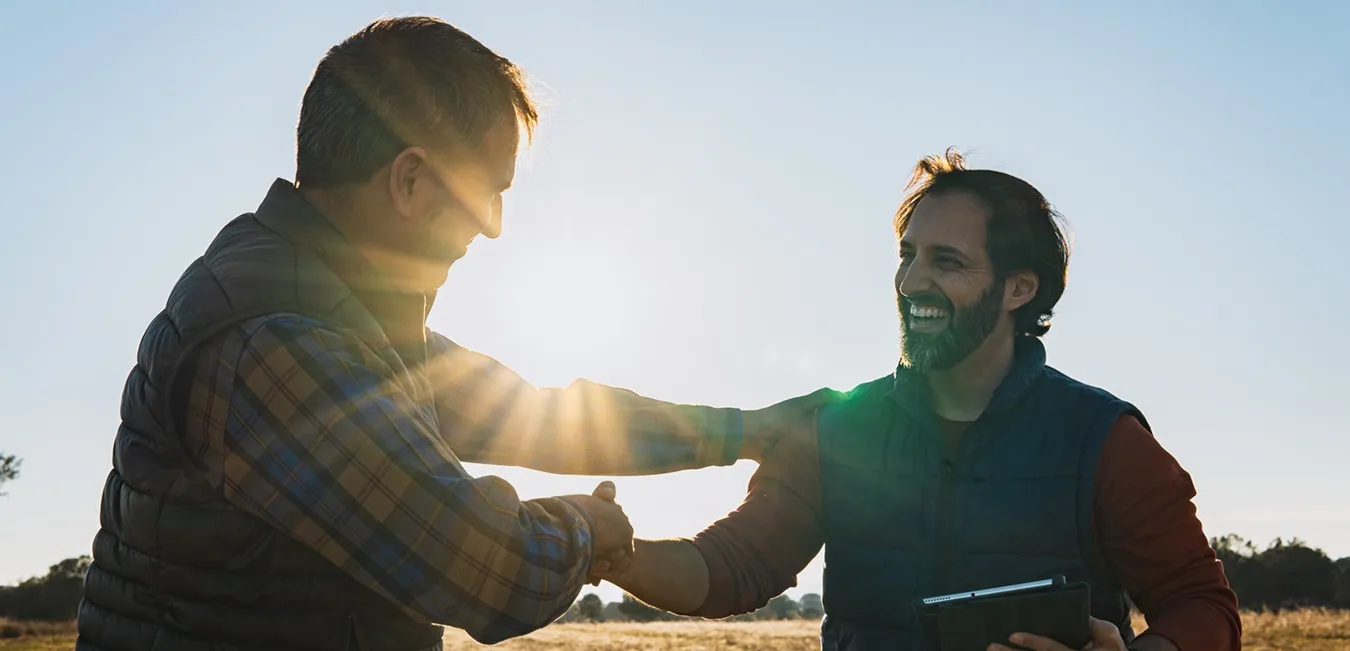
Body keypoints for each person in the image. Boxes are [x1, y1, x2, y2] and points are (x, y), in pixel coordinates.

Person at [74, 16, 832, 651]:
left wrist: (747, 430)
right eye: (488, 192)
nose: (494, 226)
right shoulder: (279, 344)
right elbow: (488, 573)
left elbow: (541, 416)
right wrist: (585, 527)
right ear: (409, 181)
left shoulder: (346, 318)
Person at [594, 150, 1242, 651]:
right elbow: (727, 568)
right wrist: (609, 551)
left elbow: (1202, 606)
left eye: (946, 262)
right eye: (907, 256)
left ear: (1019, 289)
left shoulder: (1104, 440)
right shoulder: (837, 427)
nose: (910, 282)